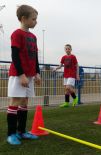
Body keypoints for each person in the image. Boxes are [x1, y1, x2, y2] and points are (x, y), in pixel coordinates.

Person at [7, 5, 40, 145]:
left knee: (25, 102)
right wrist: (21, 75)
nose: (35, 22)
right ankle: (11, 134)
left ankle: (22, 131)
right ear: (23, 19)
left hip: (30, 75)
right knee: (15, 102)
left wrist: (37, 73)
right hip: (19, 75)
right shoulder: (17, 34)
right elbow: (14, 55)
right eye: (33, 19)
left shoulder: (33, 36)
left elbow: (35, 56)